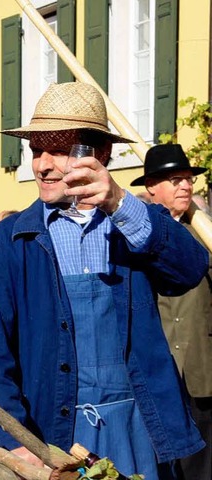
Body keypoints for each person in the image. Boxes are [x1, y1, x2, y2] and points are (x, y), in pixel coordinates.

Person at [0, 82, 207, 480]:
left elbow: (188, 270)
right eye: (36, 151)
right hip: (54, 436)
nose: (42, 165)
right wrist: (13, 439)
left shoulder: (132, 226)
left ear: (99, 154)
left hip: (140, 428)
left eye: (59, 150)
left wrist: (120, 203)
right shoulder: (8, 241)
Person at [131, 143, 212, 479]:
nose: (185, 186)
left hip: (201, 366)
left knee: (203, 464)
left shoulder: (205, 233)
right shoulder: (135, 233)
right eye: (175, 179)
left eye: (188, 179)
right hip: (157, 367)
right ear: (152, 187)